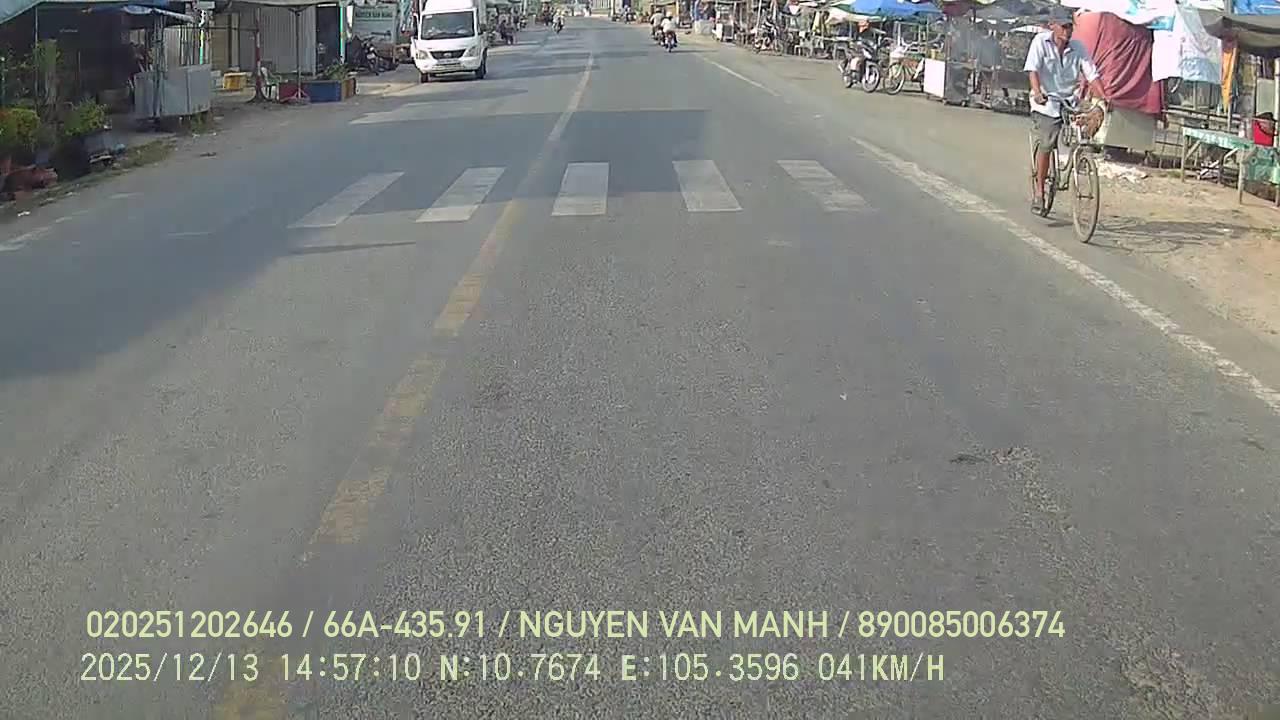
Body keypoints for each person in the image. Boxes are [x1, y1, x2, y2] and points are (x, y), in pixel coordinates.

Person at [1024, 7, 1106, 213]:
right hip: (1046, 102)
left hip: (1069, 101)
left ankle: (1078, 164)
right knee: (1047, 143)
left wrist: (1104, 97)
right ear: (1052, 25)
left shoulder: (1078, 48)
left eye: (1070, 26)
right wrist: (1037, 92)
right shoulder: (1040, 42)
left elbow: (1092, 74)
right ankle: (1039, 192)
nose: (1067, 31)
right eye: (1064, 26)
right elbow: (1033, 70)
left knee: (1085, 131)